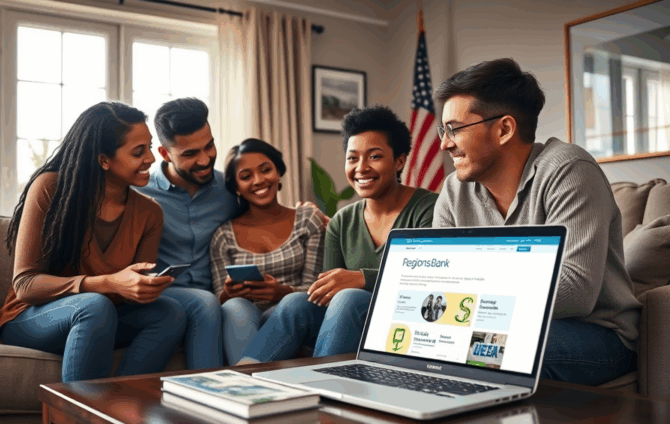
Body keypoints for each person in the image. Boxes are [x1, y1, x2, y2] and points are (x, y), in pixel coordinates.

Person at [0, 102, 187, 424]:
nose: (150, 158)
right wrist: (107, 282)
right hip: (32, 317)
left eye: (148, 148)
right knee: (94, 304)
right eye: (138, 151)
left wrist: (143, 289)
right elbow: (25, 284)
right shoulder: (50, 188)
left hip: (100, 318)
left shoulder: (149, 213)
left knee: (171, 312)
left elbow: (131, 294)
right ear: (103, 159)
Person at [432, 58, 640, 385]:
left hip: (598, 334)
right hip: (490, 324)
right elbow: (439, 279)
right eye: (442, 131)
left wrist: (470, 290)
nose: (444, 143)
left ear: (504, 129)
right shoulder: (454, 190)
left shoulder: (570, 170)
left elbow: (575, 291)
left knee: (485, 347)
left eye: (454, 129)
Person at [237, 105, 439, 364]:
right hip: (348, 323)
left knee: (348, 297)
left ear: (399, 160)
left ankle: (319, 385)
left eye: (374, 156)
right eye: (353, 158)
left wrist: (361, 279)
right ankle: (239, 378)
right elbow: (326, 293)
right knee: (296, 302)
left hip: (406, 318)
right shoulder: (342, 221)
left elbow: (429, 279)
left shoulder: (429, 208)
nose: (361, 168)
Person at [136, 98, 236, 369]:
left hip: (215, 295)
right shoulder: (139, 193)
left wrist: (306, 212)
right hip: (160, 297)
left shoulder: (228, 190)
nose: (205, 160)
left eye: (210, 146)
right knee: (204, 303)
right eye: (190, 154)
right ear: (165, 153)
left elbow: (264, 217)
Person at [211, 138, 326, 364]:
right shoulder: (223, 236)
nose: (259, 180)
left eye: (266, 170)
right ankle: (252, 384)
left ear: (278, 173)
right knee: (234, 307)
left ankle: (244, 382)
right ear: (236, 187)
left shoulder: (307, 220)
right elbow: (219, 298)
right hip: (246, 316)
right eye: (246, 176)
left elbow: (316, 289)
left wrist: (282, 292)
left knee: (289, 305)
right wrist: (228, 293)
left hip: (295, 313)